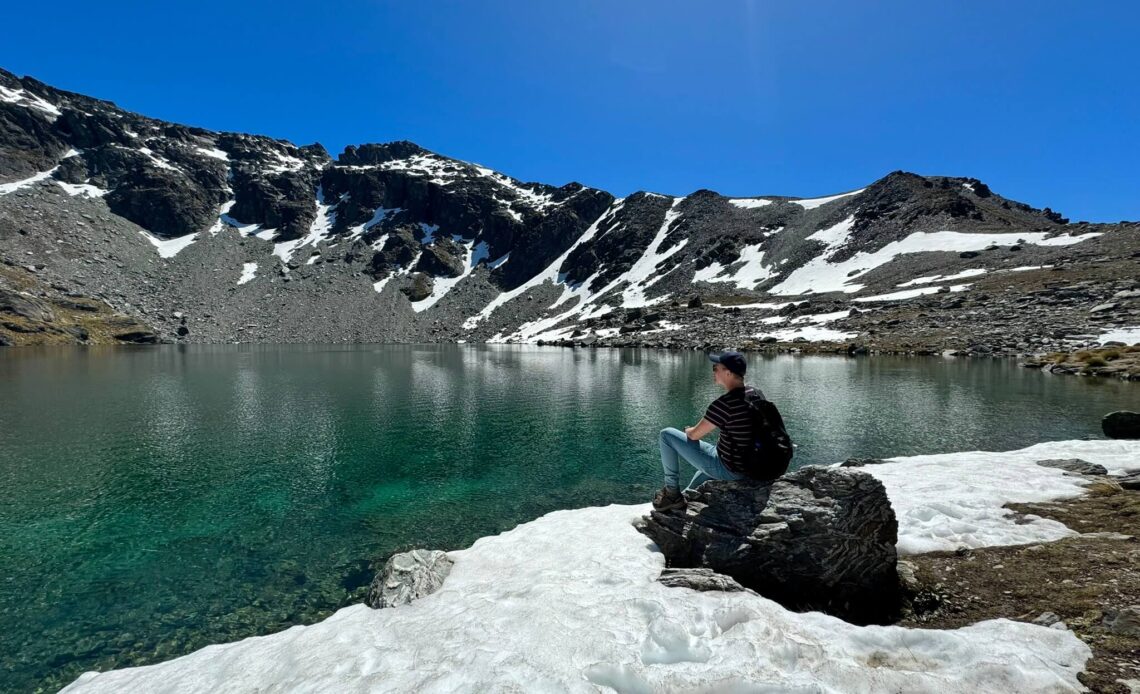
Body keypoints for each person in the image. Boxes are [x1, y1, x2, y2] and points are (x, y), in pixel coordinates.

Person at [652, 350, 767, 512]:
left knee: (666, 435)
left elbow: (694, 435)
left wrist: (687, 430)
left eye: (716, 368)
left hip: (731, 468)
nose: (713, 371)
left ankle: (672, 493)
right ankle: (687, 495)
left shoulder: (724, 404)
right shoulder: (756, 393)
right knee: (707, 460)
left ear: (728, 373)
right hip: (753, 464)